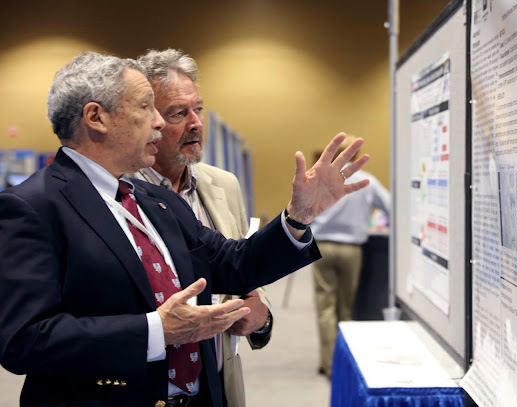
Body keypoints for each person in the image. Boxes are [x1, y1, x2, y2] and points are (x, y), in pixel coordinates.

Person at [0, 51, 370, 407]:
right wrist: (156, 331)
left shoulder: (150, 199)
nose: (158, 122)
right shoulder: (32, 206)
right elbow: (24, 340)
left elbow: (234, 263)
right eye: (146, 107)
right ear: (96, 117)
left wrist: (298, 216)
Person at [133, 48, 271, 407]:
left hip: (214, 385)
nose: (196, 123)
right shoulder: (120, 194)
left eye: (198, 109)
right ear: (148, 121)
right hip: (142, 388)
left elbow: (242, 270)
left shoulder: (224, 186)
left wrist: (260, 312)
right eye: (179, 113)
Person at [310, 135, 391, 377]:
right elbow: (391, 206)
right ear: (355, 155)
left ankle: (328, 364)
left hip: (321, 248)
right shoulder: (368, 181)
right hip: (352, 250)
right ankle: (345, 363)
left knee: (325, 308)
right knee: (346, 308)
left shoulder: (320, 179)